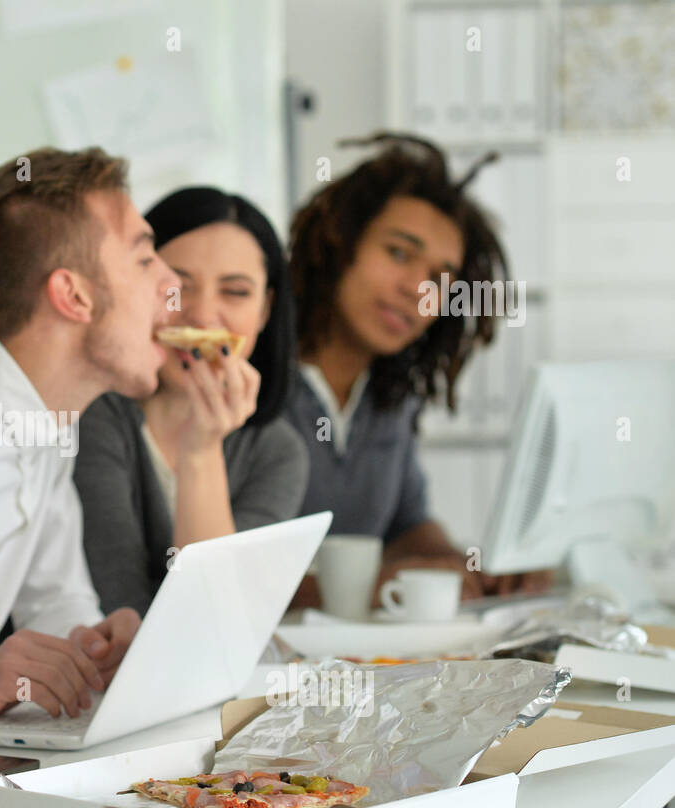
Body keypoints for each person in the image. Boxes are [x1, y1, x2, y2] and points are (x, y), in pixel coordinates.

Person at [0, 146, 179, 723]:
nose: (173, 285)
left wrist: (90, 645)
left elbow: (54, 596)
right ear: (73, 295)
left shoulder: (50, 426)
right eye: (146, 258)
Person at [284, 132, 551, 606]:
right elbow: (221, 575)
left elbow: (406, 524)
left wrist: (464, 569)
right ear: (339, 242)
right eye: (399, 253)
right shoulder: (248, 383)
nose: (417, 289)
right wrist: (370, 590)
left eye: (438, 279)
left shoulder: (390, 395)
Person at [73, 186, 309, 616]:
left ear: (265, 309)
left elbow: (221, 621)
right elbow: (125, 616)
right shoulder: (90, 417)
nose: (201, 316)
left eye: (235, 292)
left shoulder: (278, 453)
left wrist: (203, 449)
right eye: (177, 287)